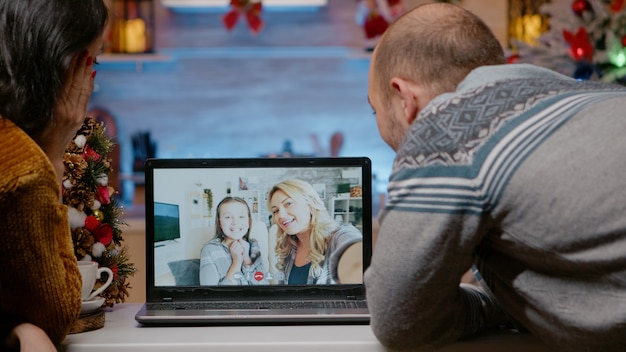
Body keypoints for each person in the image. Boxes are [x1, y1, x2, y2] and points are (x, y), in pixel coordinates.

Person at [364, 2, 626, 351]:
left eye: (374, 110)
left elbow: (400, 320)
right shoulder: (602, 94)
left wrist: (488, 306)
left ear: (404, 98)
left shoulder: (448, 126)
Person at [0, 0, 109, 350]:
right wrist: (52, 152)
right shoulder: (24, 171)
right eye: (93, 61)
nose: (92, 83)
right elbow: (54, 316)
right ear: (64, 65)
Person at [268, 179, 363, 285]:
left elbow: (356, 249)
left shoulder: (338, 237)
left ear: (310, 204)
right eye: (275, 210)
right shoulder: (289, 248)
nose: (281, 215)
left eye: (288, 204)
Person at [200, 197, 266, 285]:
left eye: (241, 216)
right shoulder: (209, 250)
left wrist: (247, 259)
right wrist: (237, 263)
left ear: (248, 222)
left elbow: (263, 285)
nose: (235, 222)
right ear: (220, 223)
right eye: (228, 217)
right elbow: (210, 295)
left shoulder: (253, 246)